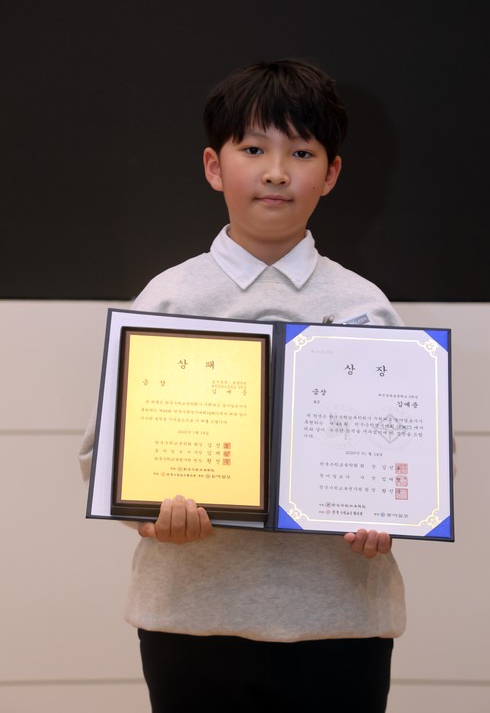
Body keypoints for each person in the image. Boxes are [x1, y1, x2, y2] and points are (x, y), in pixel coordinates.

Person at [79, 58, 406, 712]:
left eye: (302, 152)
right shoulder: (168, 299)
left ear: (331, 174)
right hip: (191, 619)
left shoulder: (364, 305)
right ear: (213, 166)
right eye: (253, 149)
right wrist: (148, 517)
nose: (276, 171)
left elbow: (417, 456)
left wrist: (390, 511)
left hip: (339, 619)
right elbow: (102, 456)